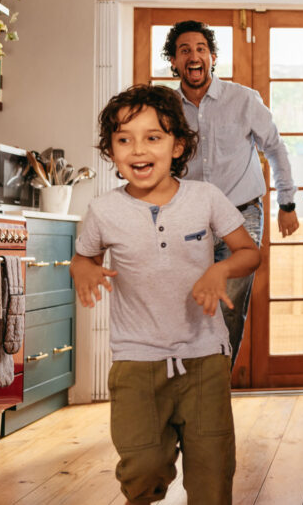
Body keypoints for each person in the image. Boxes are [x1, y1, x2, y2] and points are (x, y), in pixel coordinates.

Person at [70, 84, 261, 504]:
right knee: (142, 466)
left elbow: (249, 252)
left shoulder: (205, 199)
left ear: (177, 145)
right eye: (124, 139)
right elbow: (83, 257)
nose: (138, 150)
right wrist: (83, 271)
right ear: (111, 150)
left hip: (204, 358)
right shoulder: (104, 210)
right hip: (136, 362)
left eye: (153, 137)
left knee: (213, 473)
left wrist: (219, 269)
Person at [162, 20, 299, 365]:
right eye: (185, 50)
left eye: (201, 49)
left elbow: (275, 148)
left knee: (229, 308)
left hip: (242, 214)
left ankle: (215, 387)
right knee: (187, 305)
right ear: (174, 62)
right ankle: (188, 384)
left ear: (212, 57)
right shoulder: (165, 107)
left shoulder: (243, 99)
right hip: (186, 217)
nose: (194, 56)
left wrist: (287, 202)